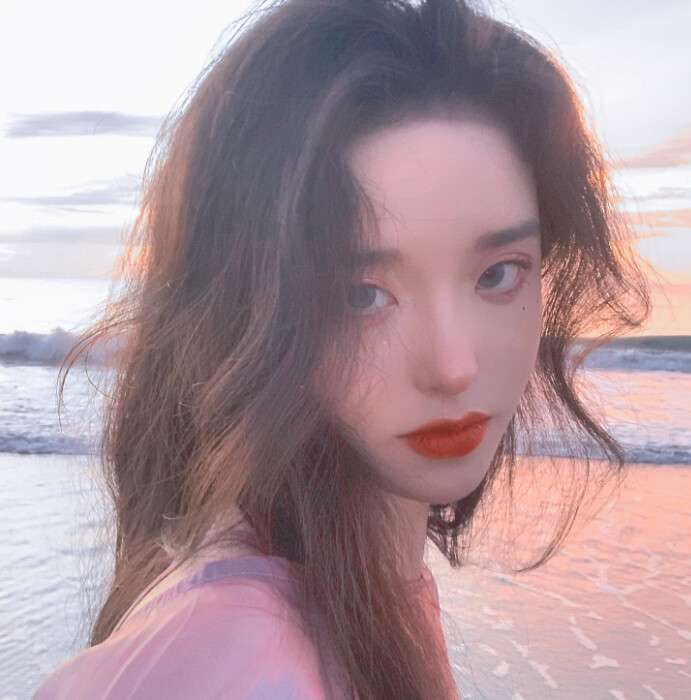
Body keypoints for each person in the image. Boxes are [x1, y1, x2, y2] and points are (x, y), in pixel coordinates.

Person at [35, 0, 651, 697]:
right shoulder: (236, 662)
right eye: (361, 295)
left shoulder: (360, 591)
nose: (454, 367)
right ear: (242, 312)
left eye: (498, 275)